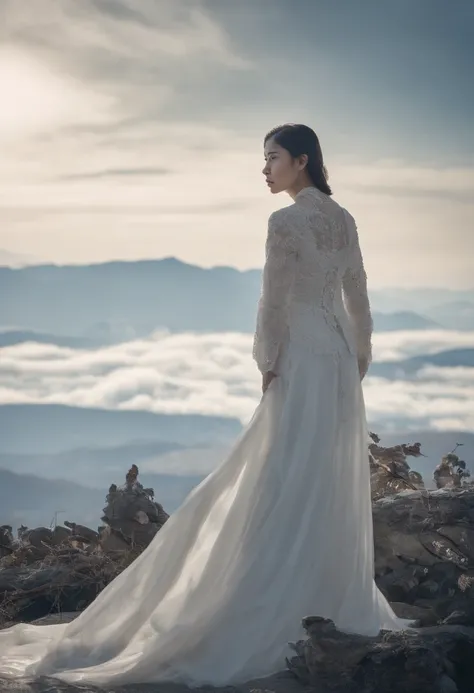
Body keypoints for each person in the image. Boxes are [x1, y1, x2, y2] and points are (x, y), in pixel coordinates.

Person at [0, 123, 410, 688]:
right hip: (337, 358)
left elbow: (273, 298)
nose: (264, 169)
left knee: (279, 473)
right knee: (323, 476)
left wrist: (267, 360)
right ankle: (326, 594)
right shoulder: (344, 219)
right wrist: (360, 351)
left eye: (272, 158)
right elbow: (357, 290)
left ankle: (260, 597)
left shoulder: (285, 221)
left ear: (303, 160)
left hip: (304, 357)